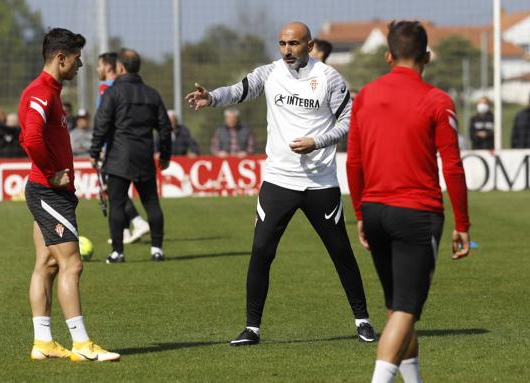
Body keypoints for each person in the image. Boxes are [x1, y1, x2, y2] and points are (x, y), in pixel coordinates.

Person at [186, 21, 376, 346]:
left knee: (340, 252)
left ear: (310, 45)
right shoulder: (270, 72)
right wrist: (212, 98)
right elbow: (238, 90)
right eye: (282, 44)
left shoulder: (329, 78)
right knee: (261, 251)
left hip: (320, 183)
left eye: (294, 44)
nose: (287, 50)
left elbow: (349, 121)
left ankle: (363, 321)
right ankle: (251, 329)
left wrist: (318, 141)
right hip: (278, 181)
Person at [346, 21, 470, 383]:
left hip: (375, 210)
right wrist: (462, 224)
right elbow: (453, 166)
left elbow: (354, 163)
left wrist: (359, 214)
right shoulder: (437, 100)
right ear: (427, 57)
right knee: (406, 311)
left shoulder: (365, 96)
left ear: (387, 56)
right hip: (416, 213)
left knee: (396, 309)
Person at [18, 27, 119, 362]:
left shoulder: (52, 91)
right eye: (77, 59)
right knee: (72, 265)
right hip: (49, 191)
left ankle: (43, 343)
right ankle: (82, 345)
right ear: (60, 58)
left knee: (46, 264)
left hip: (47, 191)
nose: (81, 65)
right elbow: (30, 138)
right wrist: (52, 173)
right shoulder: (40, 92)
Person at [91, 48, 172, 263]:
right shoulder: (152, 94)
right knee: (152, 203)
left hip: (118, 157)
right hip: (144, 155)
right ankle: (157, 249)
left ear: (120, 68)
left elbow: (102, 124)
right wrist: (165, 155)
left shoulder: (113, 93)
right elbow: (164, 127)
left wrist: (94, 151)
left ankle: (117, 252)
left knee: (117, 204)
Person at [96, 51, 151, 245]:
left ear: (109, 67)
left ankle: (137, 221)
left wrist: (101, 147)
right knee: (118, 191)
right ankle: (125, 232)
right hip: (134, 146)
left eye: (99, 65)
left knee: (114, 191)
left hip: (115, 148)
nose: (97, 69)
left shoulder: (108, 89)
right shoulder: (128, 87)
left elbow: (105, 121)